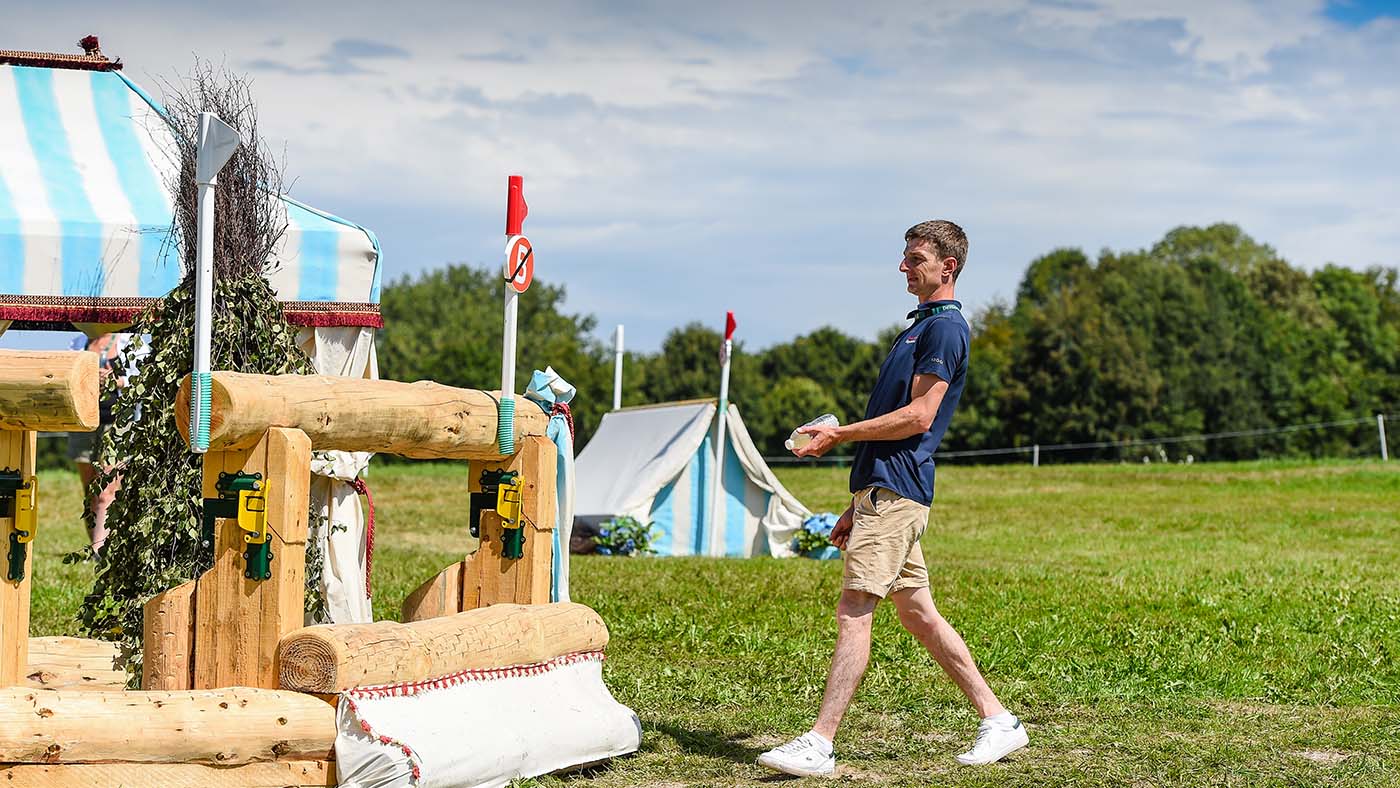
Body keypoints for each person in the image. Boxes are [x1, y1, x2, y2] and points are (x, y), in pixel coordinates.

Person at [758, 220, 1027, 777]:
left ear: (947, 266)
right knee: (919, 614)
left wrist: (840, 434)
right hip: (886, 492)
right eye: (905, 256)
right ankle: (1000, 721)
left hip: (898, 492)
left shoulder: (945, 331)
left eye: (916, 257)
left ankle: (820, 742)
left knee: (855, 610)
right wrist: (858, 505)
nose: (904, 266)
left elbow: (919, 417)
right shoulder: (919, 328)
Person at [66, 332, 127, 556]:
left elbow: (142, 382)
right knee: (89, 486)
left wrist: (116, 380)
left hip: (116, 423)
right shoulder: (78, 343)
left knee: (107, 490)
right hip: (83, 422)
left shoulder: (127, 342)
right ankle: (94, 543)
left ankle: (99, 551)